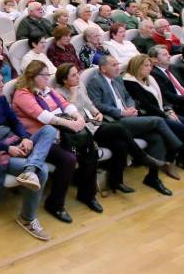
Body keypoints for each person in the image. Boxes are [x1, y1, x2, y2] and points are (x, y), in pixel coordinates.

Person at [0, 65, 57, 238]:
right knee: (43, 170)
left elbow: (15, 122)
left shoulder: (1, 99)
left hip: (14, 141)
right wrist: (7, 148)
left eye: (2, 81)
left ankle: (30, 169)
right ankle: (26, 218)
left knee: (49, 130)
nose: (3, 85)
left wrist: (24, 137)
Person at [54, 63, 167, 194]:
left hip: (92, 123)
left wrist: (98, 113)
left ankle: (116, 182)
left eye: (78, 74)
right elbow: (67, 115)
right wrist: (73, 94)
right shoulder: (58, 93)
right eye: (73, 75)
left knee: (120, 145)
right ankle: (141, 157)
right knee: (119, 129)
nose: (78, 77)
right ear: (64, 79)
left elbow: (89, 104)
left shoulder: (80, 86)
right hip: (80, 131)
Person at [12, 61, 100, 222]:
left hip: (60, 134)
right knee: (69, 159)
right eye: (44, 75)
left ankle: (87, 194)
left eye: (47, 75)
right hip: (38, 139)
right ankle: (55, 204)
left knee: (89, 150)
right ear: (33, 77)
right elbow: (42, 116)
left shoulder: (48, 90)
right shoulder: (22, 94)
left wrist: (78, 117)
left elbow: (66, 105)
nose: (47, 78)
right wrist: (70, 124)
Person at [86, 55, 183, 194]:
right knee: (158, 120)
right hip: (114, 121)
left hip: (129, 117)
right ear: (103, 68)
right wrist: (121, 112)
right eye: (113, 65)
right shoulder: (95, 82)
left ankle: (153, 178)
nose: (118, 67)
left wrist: (131, 109)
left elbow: (128, 97)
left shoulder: (118, 79)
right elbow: (97, 105)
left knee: (156, 137)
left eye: (117, 64)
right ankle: (183, 152)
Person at [123, 54, 184, 174]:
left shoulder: (150, 79)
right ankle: (173, 160)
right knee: (180, 127)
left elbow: (163, 97)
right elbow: (146, 105)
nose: (149, 68)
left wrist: (168, 110)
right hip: (148, 115)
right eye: (146, 66)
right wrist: (166, 115)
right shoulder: (130, 82)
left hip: (161, 112)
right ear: (136, 67)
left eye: (150, 66)